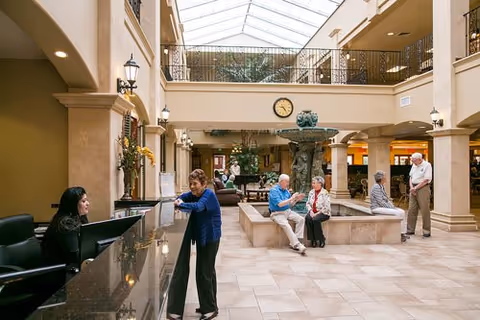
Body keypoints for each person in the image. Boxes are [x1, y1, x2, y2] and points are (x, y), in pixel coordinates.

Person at [167, 169, 221, 320]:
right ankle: (209, 305)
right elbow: (181, 197)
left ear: (204, 184)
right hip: (202, 238)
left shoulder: (208, 194)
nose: (192, 187)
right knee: (207, 272)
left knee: (204, 273)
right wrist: (178, 200)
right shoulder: (194, 194)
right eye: (190, 183)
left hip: (211, 238)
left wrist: (181, 205)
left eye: (195, 184)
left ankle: (210, 310)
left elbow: (198, 207)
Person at [42, 187, 89, 266]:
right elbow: (74, 256)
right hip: (58, 271)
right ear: (73, 204)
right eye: (83, 201)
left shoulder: (79, 217)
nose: (88, 203)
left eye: (87, 200)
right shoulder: (65, 224)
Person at [268, 174, 306, 254]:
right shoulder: (274, 191)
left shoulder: (286, 191)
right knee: (286, 225)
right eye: (287, 182)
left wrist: (296, 199)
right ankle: (296, 245)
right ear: (281, 182)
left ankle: (298, 240)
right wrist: (291, 198)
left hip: (287, 211)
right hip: (277, 213)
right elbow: (280, 204)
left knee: (301, 219)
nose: (288, 184)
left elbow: (290, 204)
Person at [370, 171, 408, 242]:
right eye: (385, 176)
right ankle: (399, 234)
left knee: (402, 211)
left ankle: (402, 233)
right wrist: (392, 208)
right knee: (397, 213)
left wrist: (392, 206)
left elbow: (387, 199)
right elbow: (380, 202)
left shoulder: (381, 186)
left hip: (383, 207)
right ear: (381, 178)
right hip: (377, 208)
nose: (386, 178)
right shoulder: (376, 187)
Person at [407, 153, 432, 237]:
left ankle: (426, 231)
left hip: (423, 188)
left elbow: (426, 180)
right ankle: (410, 230)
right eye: (412, 160)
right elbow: (411, 177)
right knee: (411, 209)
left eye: (414, 160)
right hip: (413, 188)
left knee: (424, 209)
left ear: (419, 159)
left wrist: (416, 188)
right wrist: (411, 188)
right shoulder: (414, 165)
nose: (412, 162)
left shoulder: (427, 165)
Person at [305, 176, 331, 248]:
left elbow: (326, 207)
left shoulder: (325, 193)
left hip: (323, 213)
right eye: (312, 183)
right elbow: (307, 203)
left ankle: (321, 239)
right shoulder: (311, 192)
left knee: (315, 219)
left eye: (314, 183)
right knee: (308, 218)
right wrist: (310, 211)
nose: (312, 185)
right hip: (312, 212)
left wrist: (316, 213)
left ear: (320, 184)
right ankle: (313, 240)